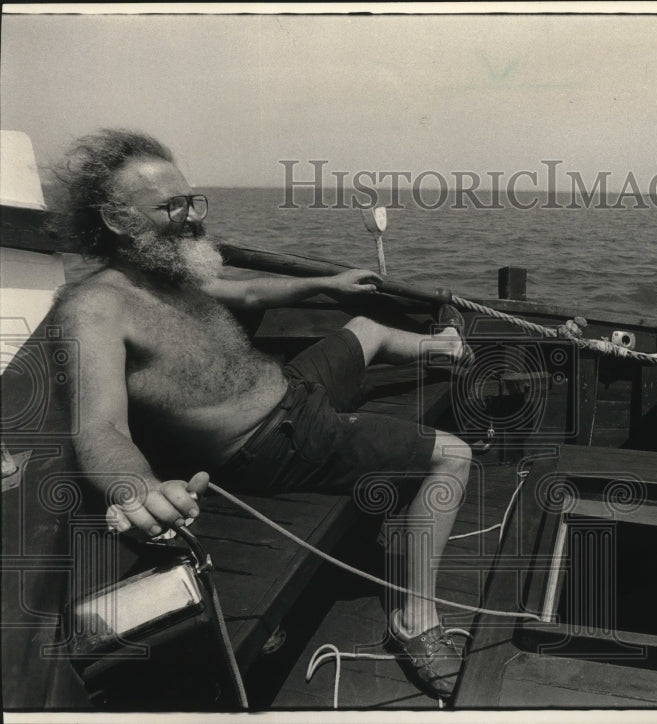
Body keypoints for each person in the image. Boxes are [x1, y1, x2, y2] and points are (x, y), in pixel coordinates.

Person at [52, 129, 470, 698]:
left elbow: (246, 294)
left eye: (192, 200)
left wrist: (324, 282)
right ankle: (415, 623)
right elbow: (99, 426)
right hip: (275, 441)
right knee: (453, 456)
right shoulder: (98, 306)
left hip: (292, 389)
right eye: (171, 206)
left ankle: (443, 347)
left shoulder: (171, 271)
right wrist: (136, 487)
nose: (193, 217)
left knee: (367, 328)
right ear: (118, 221)